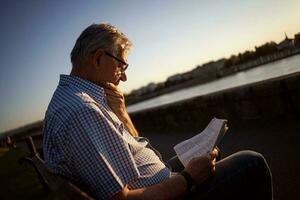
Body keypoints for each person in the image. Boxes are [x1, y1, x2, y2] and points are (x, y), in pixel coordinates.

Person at [42, 23, 273, 200]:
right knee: (252, 163)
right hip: (163, 192)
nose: (123, 76)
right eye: (121, 65)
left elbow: (129, 148)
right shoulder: (82, 111)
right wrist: (189, 178)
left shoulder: (76, 98)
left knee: (212, 154)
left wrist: (121, 113)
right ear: (99, 58)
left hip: (157, 179)